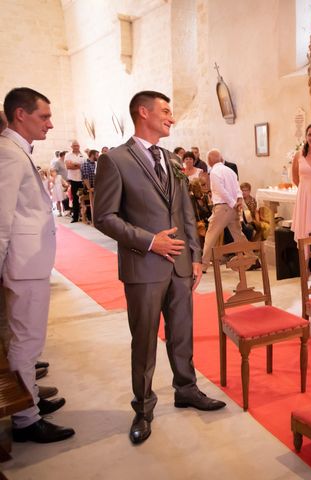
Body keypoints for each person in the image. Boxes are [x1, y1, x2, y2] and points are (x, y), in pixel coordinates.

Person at [93, 90, 226, 446]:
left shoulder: (169, 158)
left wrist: (195, 256)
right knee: (145, 339)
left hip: (180, 265)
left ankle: (186, 388)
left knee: (182, 332)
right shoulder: (115, 160)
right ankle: (144, 406)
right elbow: (103, 217)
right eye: (166, 111)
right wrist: (151, 241)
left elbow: (185, 212)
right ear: (143, 112)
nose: (172, 118)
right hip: (144, 266)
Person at [0, 87, 75, 443]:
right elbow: (1, 220)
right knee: (26, 341)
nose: (50, 123)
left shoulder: (17, 151)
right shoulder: (9, 154)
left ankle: (29, 399)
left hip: (31, 261)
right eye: (44, 116)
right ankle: (26, 420)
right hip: (23, 262)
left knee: (31, 340)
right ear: (20, 114)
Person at [200, 148, 245, 273]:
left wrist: (232, 203)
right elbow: (237, 188)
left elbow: (221, 190)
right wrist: (238, 201)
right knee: (238, 235)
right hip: (232, 207)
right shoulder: (230, 171)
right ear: (220, 158)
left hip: (223, 208)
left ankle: (203, 265)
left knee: (210, 235)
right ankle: (252, 257)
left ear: (209, 161)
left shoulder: (214, 172)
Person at [65, 139, 84, 223]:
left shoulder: (83, 154)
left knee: (84, 198)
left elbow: (84, 165)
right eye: (74, 145)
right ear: (71, 147)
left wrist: (74, 164)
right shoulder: (68, 155)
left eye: (77, 145)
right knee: (75, 199)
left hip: (83, 180)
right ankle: (75, 217)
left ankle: (85, 215)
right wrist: (79, 165)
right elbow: (68, 166)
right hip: (73, 180)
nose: (76, 147)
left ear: (79, 146)